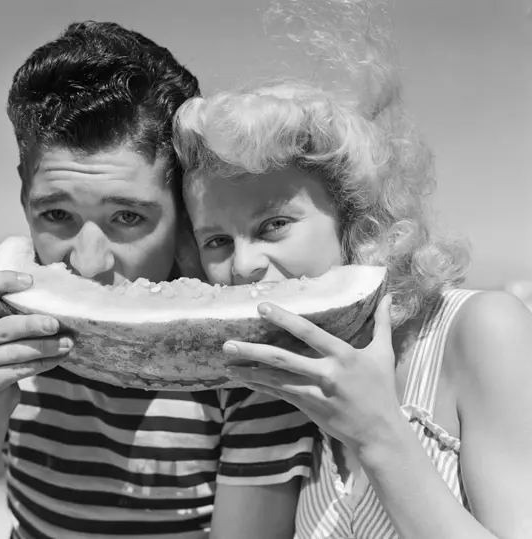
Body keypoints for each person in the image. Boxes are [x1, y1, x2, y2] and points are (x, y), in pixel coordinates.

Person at [0, 21, 315, 539]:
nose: (87, 264)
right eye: (57, 215)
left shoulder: (240, 323)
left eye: (127, 217)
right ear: (24, 193)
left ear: (183, 206)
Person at [171, 20, 532, 539]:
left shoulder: (482, 331)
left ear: (354, 216)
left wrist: (377, 433)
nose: (244, 265)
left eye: (273, 225)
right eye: (217, 241)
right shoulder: (275, 385)